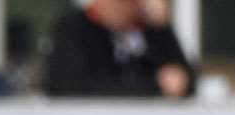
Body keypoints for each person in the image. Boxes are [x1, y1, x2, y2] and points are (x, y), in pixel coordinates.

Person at [41, 0, 192, 99]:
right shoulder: (73, 28)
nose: (121, 5)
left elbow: (185, 80)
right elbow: (67, 85)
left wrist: (161, 28)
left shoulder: (149, 31)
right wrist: (153, 86)